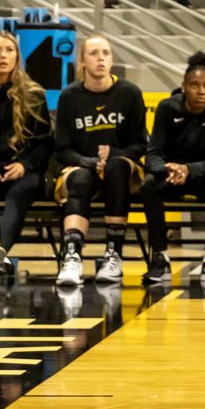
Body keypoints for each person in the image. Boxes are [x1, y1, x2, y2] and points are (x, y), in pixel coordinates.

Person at [54, 34, 147, 286]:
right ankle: (72, 257)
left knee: (116, 168)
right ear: (82, 61)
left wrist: (114, 154)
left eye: (105, 53)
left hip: (122, 169)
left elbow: (141, 144)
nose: (101, 59)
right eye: (94, 54)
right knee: (81, 178)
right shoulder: (69, 96)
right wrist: (88, 162)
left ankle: (113, 255)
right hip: (83, 166)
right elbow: (62, 148)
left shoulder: (129, 93)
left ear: (112, 59)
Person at [141, 52, 205, 286]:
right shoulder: (166, 108)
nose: (201, 91)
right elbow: (152, 155)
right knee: (149, 184)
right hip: (172, 176)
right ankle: (160, 258)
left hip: (202, 175)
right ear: (183, 87)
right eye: (194, 85)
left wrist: (189, 170)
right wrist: (167, 169)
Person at [0, 31, 53, 278]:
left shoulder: (33, 94)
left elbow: (45, 143)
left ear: (17, 57)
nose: (3, 55)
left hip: (22, 170)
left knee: (19, 194)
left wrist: (25, 165)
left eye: (9, 50)